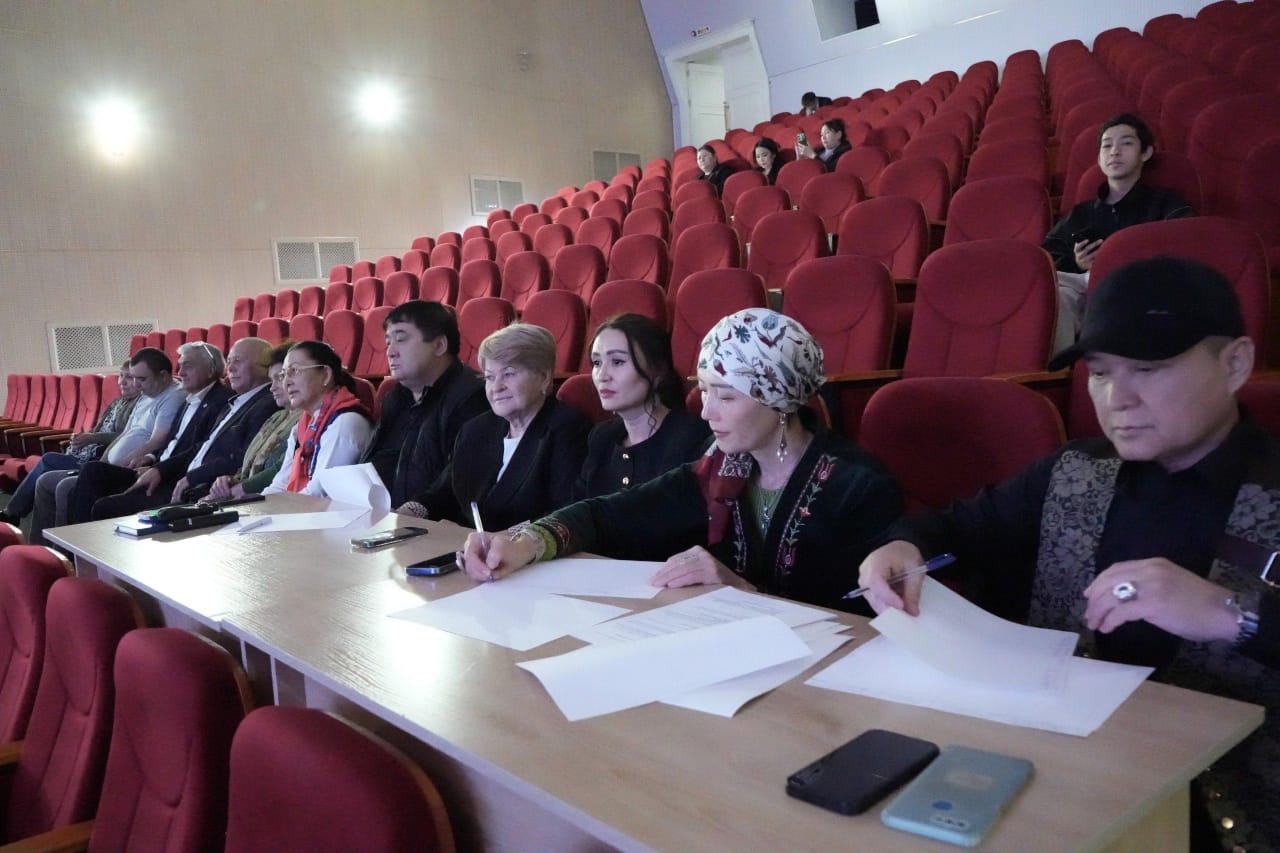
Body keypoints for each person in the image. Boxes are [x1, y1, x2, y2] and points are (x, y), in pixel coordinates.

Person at [857, 256, 1279, 851]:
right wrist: (901, 545)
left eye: (1149, 368)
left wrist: (1231, 613)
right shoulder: (1074, 471)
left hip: (1231, 811)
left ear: (1234, 363)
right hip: (1059, 785)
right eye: (1100, 373)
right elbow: (955, 528)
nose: (1117, 398)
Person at [461, 309, 903, 611]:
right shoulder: (721, 468)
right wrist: (525, 543)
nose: (707, 412)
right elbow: (609, 514)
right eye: (704, 392)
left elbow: (862, 621)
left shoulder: (856, 486)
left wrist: (742, 590)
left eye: (725, 396)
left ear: (779, 399)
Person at [1042, 113, 1194, 350]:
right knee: (1051, 292)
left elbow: (1185, 242)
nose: (1114, 151)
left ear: (1146, 152)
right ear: (1099, 158)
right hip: (1083, 288)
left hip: (1138, 285)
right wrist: (1077, 263)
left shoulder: (1165, 202)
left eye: (1126, 143)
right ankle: (1053, 370)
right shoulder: (1081, 213)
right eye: (1107, 145)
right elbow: (1046, 256)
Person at [419, 324, 590, 531]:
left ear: (544, 377)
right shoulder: (476, 429)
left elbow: (562, 514)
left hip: (530, 548)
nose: (496, 387)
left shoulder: (568, 429)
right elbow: (445, 491)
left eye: (508, 374)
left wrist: (506, 539)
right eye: (490, 377)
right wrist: (411, 511)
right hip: (470, 545)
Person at [85, 337, 279, 517]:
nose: (231, 368)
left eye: (238, 360)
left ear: (264, 368)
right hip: (177, 477)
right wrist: (158, 467)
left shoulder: (260, 403)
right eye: (229, 361)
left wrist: (187, 477)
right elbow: (200, 446)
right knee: (94, 474)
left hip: (199, 488)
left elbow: (240, 456)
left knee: (104, 505)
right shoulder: (232, 402)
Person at [29, 347, 185, 544]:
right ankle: (41, 548)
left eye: (141, 379)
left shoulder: (173, 396)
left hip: (133, 471)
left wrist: (116, 466)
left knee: (64, 487)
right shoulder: (147, 394)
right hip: (111, 467)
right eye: (134, 378)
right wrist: (103, 463)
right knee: (45, 481)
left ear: (163, 376)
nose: (136, 384)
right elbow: (126, 433)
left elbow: (157, 440)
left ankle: (68, 549)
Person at [66, 342, 233, 524]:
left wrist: (159, 469)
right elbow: (172, 442)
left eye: (188, 366)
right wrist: (151, 458)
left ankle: (78, 538)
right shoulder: (190, 399)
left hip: (174, 480)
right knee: (92, 472)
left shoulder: (220, 401)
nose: (181, 372)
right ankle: (70, 538)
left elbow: (198, 449)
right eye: (180, 366)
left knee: (102, 504)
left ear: (210, 370)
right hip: (156, 468)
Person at [361, 301, 488, 516]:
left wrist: (416, 509)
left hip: (440, 526)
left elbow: (463, 475)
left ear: (439, 345)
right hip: (385, 519)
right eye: (388, 342)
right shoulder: (395, 398)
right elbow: (376, 461)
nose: (390, 352)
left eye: (401, 339)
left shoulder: (472, 395)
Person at [573, 314, 708, 500]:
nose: (602, 375)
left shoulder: (691, 437)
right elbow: (575, 508)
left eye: (618, 362)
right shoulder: (601, 437)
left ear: (658, 370)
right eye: (597, 363)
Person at [0, 361, 139, 525]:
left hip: (100, 461)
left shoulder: (139, 405)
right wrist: (82, 437)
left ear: (140, 380)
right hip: (87, 453)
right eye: (121, 376)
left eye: (129, 377)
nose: (122, 382)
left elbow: (128, 437)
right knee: (46, 472)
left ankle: (12, 512)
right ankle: (17, 515)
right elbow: (96, 429)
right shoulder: (117, 402)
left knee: (48, 460)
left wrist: (92, 438)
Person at [262, 341, 373, 497]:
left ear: (326, 374)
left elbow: (318, 494)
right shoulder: (301, 427)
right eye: (284, 374)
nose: (286, 382)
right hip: (299, 507)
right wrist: (254, 507)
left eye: (295, 370)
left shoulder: (345, 422)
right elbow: (280, 485)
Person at [205, 341, 300, 501]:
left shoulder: (305, 419)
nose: (273, 387)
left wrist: (238, 488)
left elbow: (282, 468)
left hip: (270, 500)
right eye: (272, 380)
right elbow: (249, 460)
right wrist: (232, 480)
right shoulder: (277, 416)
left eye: (280, 378)